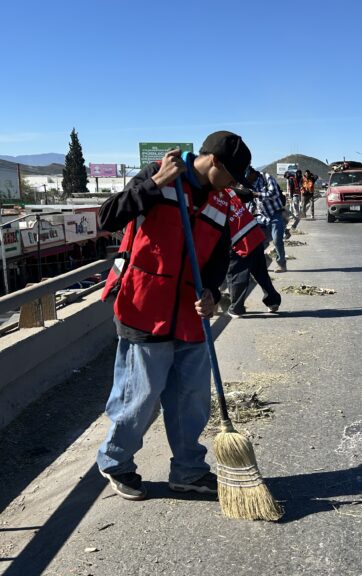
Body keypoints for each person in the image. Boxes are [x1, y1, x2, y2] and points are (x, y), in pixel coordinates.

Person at [96, 131, 259, 500]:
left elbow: (219, 256)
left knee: (191, 398)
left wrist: (212, 292)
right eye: (232, 174)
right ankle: (116, 462)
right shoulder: (160, 175)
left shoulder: (221, 202)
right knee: (139, 395)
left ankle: (188, 470)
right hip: (145, 307)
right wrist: (154, 184)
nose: (234, 183)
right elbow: (109, 216)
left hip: (191, 315)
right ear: (214, 161)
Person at [224, 175, 276, 316]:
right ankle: (273, 300)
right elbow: (248, 194)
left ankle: (236, 308)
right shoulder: (229, 191)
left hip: (240, 241)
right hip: (254, 233)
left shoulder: (211, 196)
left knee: (237, 274)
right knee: (260, 272)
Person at [262, 171, 289, 271]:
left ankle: (281, 264)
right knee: (260, 243)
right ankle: (265, 261)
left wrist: (257, 194)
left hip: (276, 214)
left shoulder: (266, 176)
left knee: (277, 240)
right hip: (262, 217)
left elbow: (273, 193)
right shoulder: (246, 184)